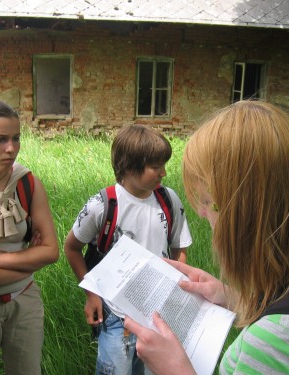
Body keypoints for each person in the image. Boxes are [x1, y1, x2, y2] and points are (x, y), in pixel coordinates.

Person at [124, 100, 289, 374]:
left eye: (209, 201)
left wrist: (174, 369)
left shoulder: (277, 346)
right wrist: (235, 298)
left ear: (243, 216)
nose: (200, 212)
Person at [64, 124, 193, 374]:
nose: (164, 173)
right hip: (115, 316)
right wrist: (91, 294)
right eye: (156, 167)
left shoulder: (169, 200)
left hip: (158, 316)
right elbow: (71, 248)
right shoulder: (102, 206)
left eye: (164, 165)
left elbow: (179, 249)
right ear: (129, 165)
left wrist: (177, 290)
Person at [0, 99, 60, 375]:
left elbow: (52, 251)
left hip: (24, 300)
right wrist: (31, 261)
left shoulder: (27, 182)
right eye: (0, 139)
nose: (11, 148)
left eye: (16, 138)